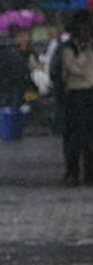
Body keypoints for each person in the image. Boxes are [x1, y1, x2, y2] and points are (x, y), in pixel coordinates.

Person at [58, 10, 93, 186]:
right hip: (76, 93)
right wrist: (82, 54)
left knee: (89, 137)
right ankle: (73, 171)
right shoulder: (68, 48)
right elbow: (74, 69)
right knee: (75, 136)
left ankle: (89, 172)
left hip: (89, 92)